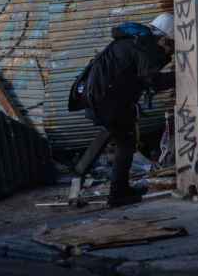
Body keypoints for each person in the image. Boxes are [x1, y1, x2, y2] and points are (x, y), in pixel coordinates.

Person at [68, 13, 175, 207]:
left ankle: (108, 185)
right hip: (107, 102)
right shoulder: (144, 46)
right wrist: (177, 77)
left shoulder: (132, 41)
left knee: (119, 138)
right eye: (170, 45)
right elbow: (151, 80)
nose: (169, 50)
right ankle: (118, 194)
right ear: (164, 37)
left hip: (98, 98)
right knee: (126, 143)